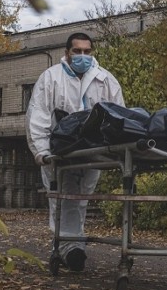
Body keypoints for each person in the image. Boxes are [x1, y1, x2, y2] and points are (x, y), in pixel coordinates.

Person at [26, 32, 125, 272]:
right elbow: (38, 114)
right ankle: (69, 249)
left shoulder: (105, 80)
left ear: (92, 53)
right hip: (60, 151)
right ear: (67, 53)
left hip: (92, 152)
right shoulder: (51, 79)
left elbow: (120, 114)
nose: (83, 56)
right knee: (62, 200)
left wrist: (118, 147)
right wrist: (40, 150)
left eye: (87, 51)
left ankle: (70, 246)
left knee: (80, 200)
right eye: (77, 51)